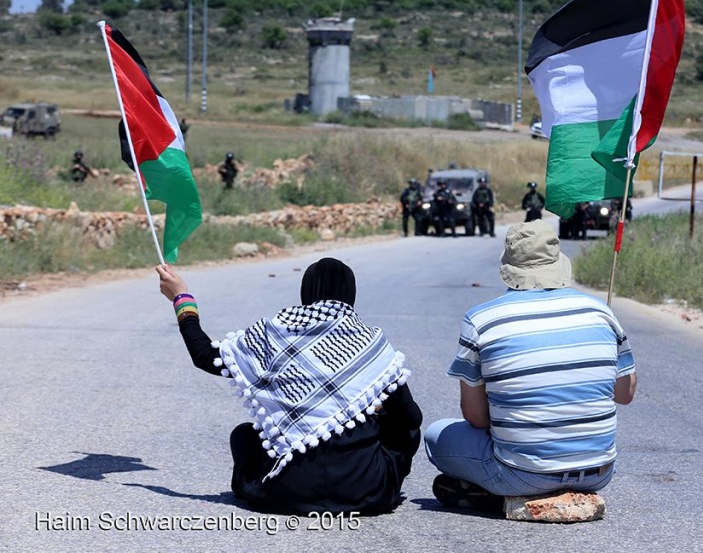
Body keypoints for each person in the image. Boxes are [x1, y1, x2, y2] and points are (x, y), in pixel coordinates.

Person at [155, 258, 422, 515]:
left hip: (286, 492)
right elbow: (411, 418)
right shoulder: (370, 343)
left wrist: (181, 297)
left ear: (305, 292)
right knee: (404, 432)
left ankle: (264, 484)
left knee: (245, 436)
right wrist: (369, 411)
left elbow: (205, 355)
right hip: (366, 492)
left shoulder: (274, 333)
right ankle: (381, 483)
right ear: (351, 294)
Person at [424, 220, 637, 510]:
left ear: (509, 269)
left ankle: (503, 492)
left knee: (436, 436)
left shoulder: (481, 320)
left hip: (522, 474)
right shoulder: (601, 311)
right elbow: (624, 394)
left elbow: (476, 417)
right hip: (598, 472)